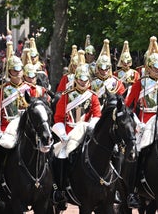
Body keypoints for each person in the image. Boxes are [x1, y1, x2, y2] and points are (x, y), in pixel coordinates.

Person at [0, 53, 44, 206]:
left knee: (47, 149)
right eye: (14, 70)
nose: (18, 72)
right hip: (7, 131)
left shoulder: (31, 89)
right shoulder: (0, 90)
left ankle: (53, 188)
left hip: (29, 129)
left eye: (19, 69)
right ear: (9, 72)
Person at [123, 37, 158, 208]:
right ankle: (133, 191)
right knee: (137, 153)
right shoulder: (140, 83)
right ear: (148, 67)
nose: (157, 70)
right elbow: (128, 107)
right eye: (154, 67)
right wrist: (137, 121)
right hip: (145, 123)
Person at [51, 64, 101, 207]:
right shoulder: (66, 96)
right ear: (76, 79)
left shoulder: (93, 97)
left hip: (86, 132)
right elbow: (59, 118)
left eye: (86, 79)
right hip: (69, 134)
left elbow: (97, 115)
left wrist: (91, 127)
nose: (83, 82)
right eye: (81, 79)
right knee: (61, 155)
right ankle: (60, 190)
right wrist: (62, 134)